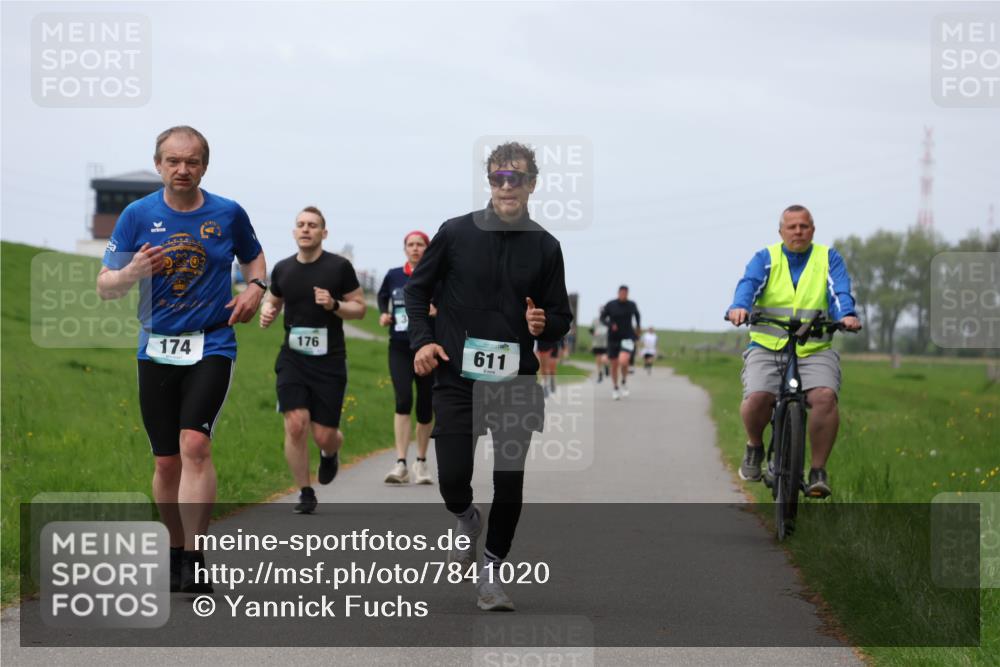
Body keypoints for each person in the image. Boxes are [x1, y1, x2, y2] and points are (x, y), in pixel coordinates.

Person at [97, 126, 266, 592]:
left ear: (204, 166)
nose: (182, 169)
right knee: (166, 461)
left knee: (194, 444)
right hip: (156, 346)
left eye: (192, 161)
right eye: (173, 161)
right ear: (158, 165)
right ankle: (174, 549)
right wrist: (130, 271)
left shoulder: (228, 213)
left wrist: (256, 288)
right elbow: (105, 285)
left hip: (212, 343)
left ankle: (195, 555)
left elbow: (254, 259)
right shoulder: (137, 215)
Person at [405, 142, 572, 611]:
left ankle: (492, 573)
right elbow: (417, 291)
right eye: (499, 177)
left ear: (532, 184)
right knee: (453, 479)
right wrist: (422, 341)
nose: (507, 186)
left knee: (509, 482)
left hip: (516, 382)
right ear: (490, 182)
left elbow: (560, 317)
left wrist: (545, 324)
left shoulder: (546, 246)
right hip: (458, 379)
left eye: (516, 178)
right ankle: (466, 517)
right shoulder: (456, 232)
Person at [726, 204, 862, 498]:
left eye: (804, 226)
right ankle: (755, 446)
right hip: (767, 347)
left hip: (814, 348)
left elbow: (839, 290)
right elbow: (749, 284)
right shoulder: (765, 258)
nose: (798, 231)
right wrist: (739, 307)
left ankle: (817, 471)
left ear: (812, 230)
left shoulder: (828, 258)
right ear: (781, 232)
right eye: (792, 227)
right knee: (758, 397)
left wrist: (846, 315)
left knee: (825, 397)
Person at [260, 206, 366, 514]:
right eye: (301, 224)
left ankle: (330, 452)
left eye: (312, 225)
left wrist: (334, 305)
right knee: (296, 425)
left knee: (323, 435)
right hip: (292, 359)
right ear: (294, 232)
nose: (306, 229)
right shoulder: (283, 269)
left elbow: (359, 308)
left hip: (329, 361)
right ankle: (305, 492)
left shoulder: (339, 267)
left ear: (324, 232)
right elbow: (273, 300)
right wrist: (268, 311)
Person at [377, 230, 435, 485]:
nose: (415, 248)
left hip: (427, 348)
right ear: (405, 249)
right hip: (399, 346)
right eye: (410, 245)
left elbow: (449, 302)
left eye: (420, 244)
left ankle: (420, 462)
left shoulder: (436, 275)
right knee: (403, 399)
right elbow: (382, 296)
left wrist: (438, 309)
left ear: (427, 249)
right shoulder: (394, 275)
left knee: (425, 405)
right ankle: (400, 463)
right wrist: (383, 313)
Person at [601, 285, 641, 399]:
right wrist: (610, 325)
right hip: (613, 337)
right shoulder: (611, 304)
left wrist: (638, 327)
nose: (623, 295)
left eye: (625, 293)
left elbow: (637, 315)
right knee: (614, 364)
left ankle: (623, 380)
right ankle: (615, 387)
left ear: (627, 294)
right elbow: (602, 318)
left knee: (623, 361)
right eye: (621, 293)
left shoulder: (632, 305)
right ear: (618, 293)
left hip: (627, 336)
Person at [590, 312, 609, 382]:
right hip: (597, 343)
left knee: (604, 358)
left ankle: (606, 366)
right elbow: (591, 330)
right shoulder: (595, 320)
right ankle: (600, 374)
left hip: (605, 343)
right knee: (598, 359)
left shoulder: (608, 321)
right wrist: (593, 333)